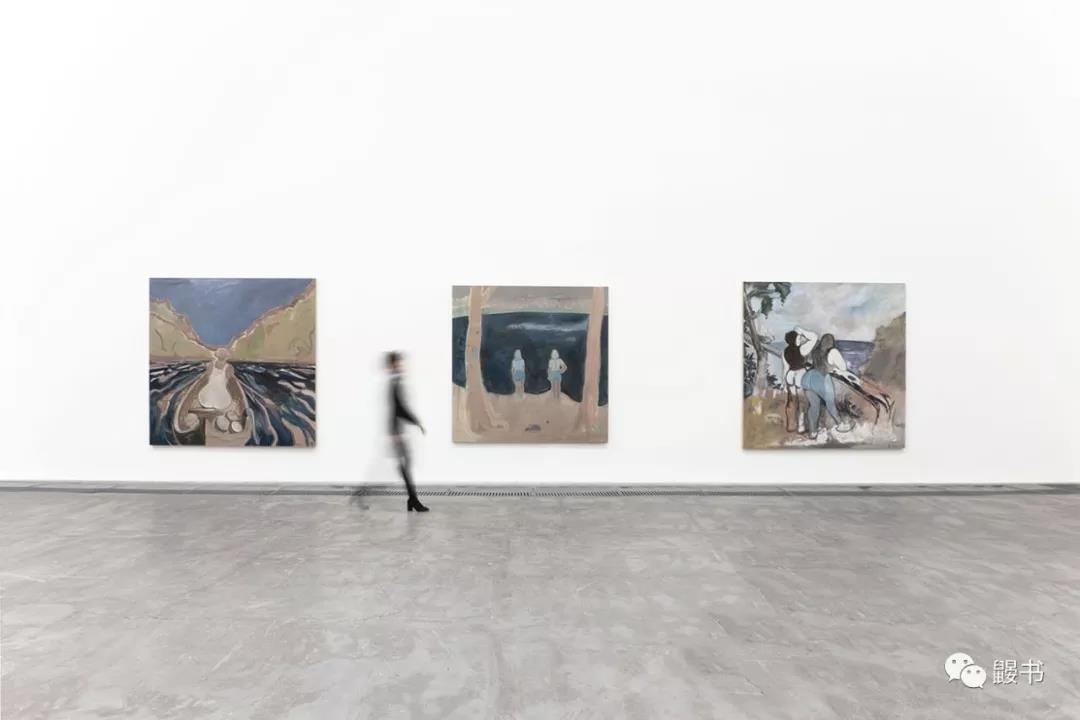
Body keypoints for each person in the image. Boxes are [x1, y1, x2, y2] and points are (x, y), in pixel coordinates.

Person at [386, 351, 429, 512]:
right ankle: (413, 500)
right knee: (405, 464)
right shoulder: (395, 383)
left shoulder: (395, 381)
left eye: (400, 362)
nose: (400, 365)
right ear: (392, 365)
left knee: (405, 464)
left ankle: (412, 499)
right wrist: (416, 422)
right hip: (396, 430)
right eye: (397, 363)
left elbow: (399, 408)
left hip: (396, 429)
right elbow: (399, 409)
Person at [798, 330, 853, 439]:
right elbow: (843, 368)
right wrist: (834, 368)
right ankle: (840, 424)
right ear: (832, 342)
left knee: (814, 407)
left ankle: (813, 432)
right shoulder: (833, 351)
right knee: (830, 404)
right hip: (822, 380)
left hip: (808, 379)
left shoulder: (815, 351)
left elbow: (810, 362)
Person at [783, 330, 809, 432]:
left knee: (791, 400)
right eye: (798, 337)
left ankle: (790, 425)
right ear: (794, 339)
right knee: (802, 401)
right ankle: (801, 426)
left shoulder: (785, 351)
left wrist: (784, 383)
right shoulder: (801, 349)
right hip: (800, 374)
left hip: (790, 375)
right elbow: (813, 338)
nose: (799, 339)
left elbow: (786, 368)